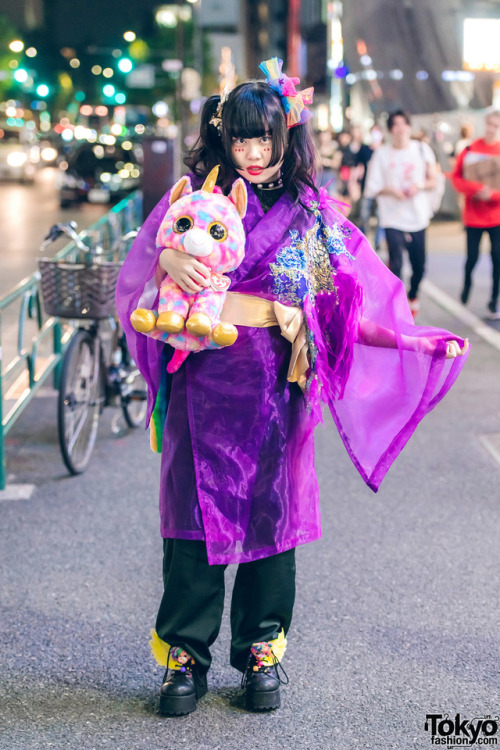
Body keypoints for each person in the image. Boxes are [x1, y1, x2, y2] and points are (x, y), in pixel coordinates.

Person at [116, 59, 469, 718]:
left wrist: (415, 341)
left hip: (279, 394)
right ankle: (183, 661)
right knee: (190, 527)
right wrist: (166, 256)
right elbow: (140, 274)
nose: (251, 152)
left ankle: (260, 653)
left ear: (285, 137)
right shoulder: (195, 200)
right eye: (239, 138)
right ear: (223, 137)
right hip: (202, 385)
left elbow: (339, 310)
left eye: (264, 138)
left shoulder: (309, 216)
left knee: (271, 528)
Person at [364, 110, 437, 319]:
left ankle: (413, 295)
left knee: (419, 266)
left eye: (403, 124)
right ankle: (398, 307)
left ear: (409, 127)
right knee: (396, 264)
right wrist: (392, 191)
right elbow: (372, 187)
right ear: (390, 130)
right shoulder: (382, 154)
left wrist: (419, 185)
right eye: (395, 125)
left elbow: (434, 179)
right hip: (392, 217)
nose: (400, 129)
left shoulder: (422, 149)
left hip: (417, 217)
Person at [451, 109, 500, 319]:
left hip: (496, 216)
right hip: (473, 216)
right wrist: (475, 190)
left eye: (496, 125)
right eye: (489, 124)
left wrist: (493, 195)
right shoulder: (470, 149)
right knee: (472, 258)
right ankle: (466, 284)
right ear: (484, 124)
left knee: (497, 258)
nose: (492, 129)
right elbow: (456, 178)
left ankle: (493, 300)